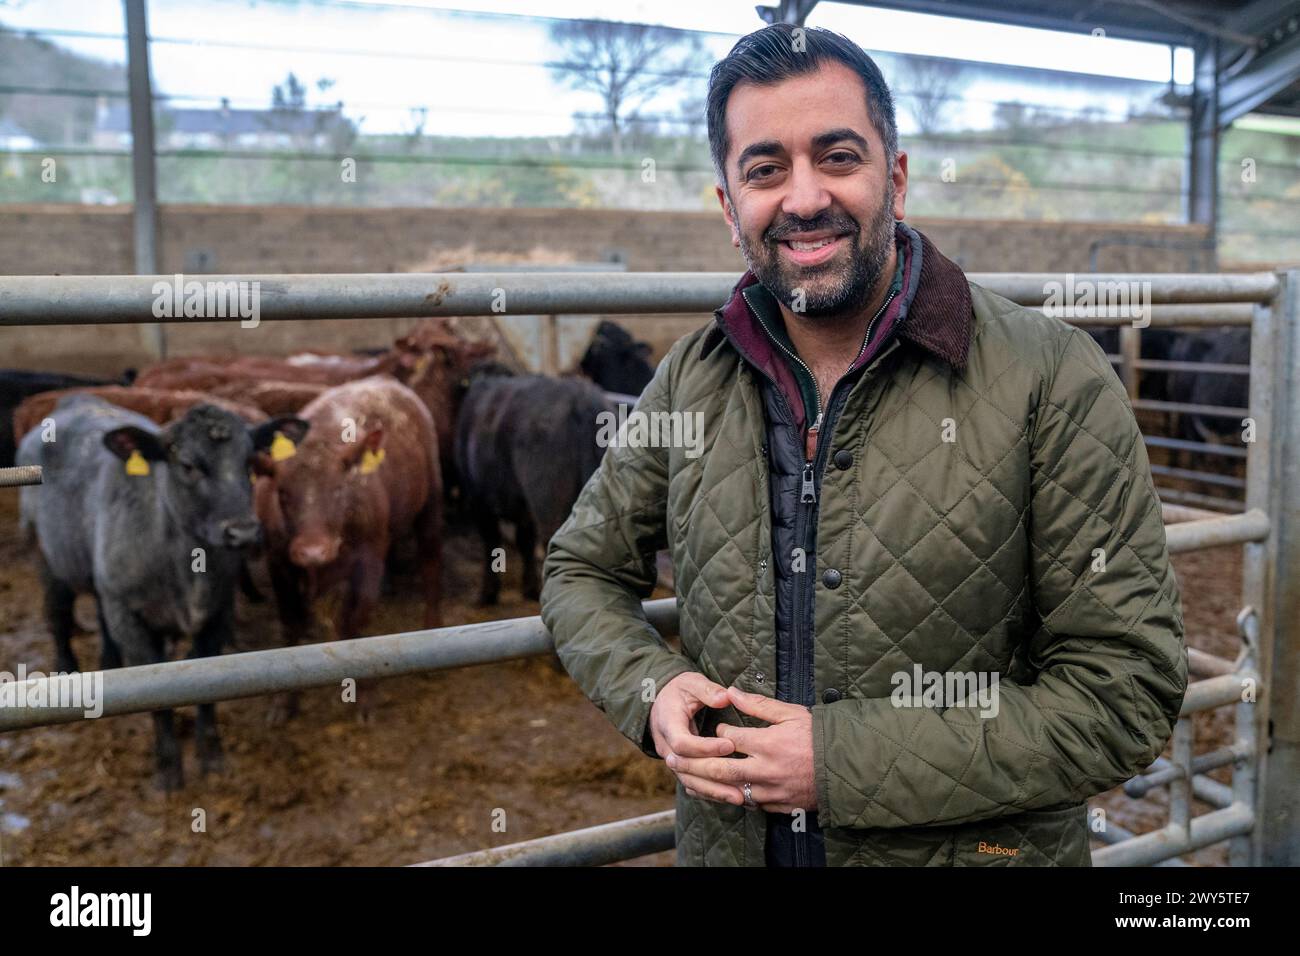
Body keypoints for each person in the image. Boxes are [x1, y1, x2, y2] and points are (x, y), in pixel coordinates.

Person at [540, 23, 1187, 867]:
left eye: (838, 156)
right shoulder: (691, 382)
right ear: (730, 208)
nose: (805, 198)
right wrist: (650, 688)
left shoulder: (1051, 379)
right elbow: (579, 569)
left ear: (898, 178)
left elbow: (1125, 693)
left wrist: (838, 764)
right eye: (766, 169)